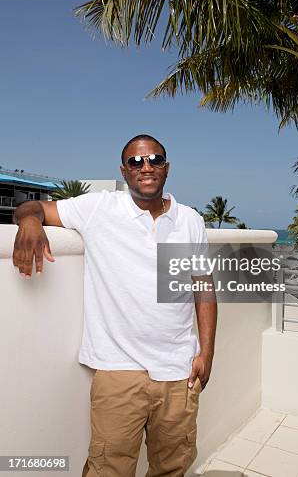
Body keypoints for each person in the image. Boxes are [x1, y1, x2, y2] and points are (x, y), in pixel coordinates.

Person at [12, 134, 217, 477]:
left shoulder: (189, 220)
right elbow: (30, 207)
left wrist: (207, 352)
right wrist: (31, 223)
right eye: (136, 162)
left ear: (166, 167)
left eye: (155, 159)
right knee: (108, 469)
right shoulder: (100, 209)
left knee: (172, 466)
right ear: (124, 171)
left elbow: (202, 286)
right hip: (118, 370)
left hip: (179, 369)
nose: (146, 167)